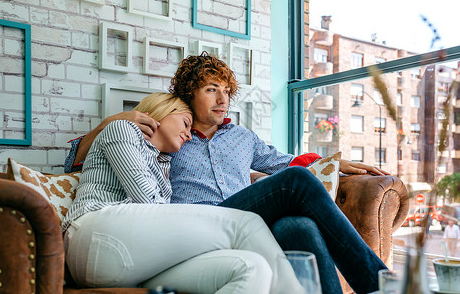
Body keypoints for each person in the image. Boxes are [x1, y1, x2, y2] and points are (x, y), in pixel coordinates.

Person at [65, 53, 389, 294]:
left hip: (240, 220)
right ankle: (380, 284)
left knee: (298, 225)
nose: (223, 99)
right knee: (298, 183)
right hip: (188, 229)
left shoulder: (243, 138)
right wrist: (115, 121)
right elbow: (81, 160)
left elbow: (285, 161)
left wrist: (331, 162)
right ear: (188, 96)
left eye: (226, 91)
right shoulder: (169, 137)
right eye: (211, 90)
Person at [62, 92, 304, 294]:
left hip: (138, 261)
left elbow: (156, 223)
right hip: (93, 234)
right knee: (245, 224)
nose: (189, 135)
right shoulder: (122, 129)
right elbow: (148, 203)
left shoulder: (163, 164)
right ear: (161, 112)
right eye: (186, 124)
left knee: (251, 267)